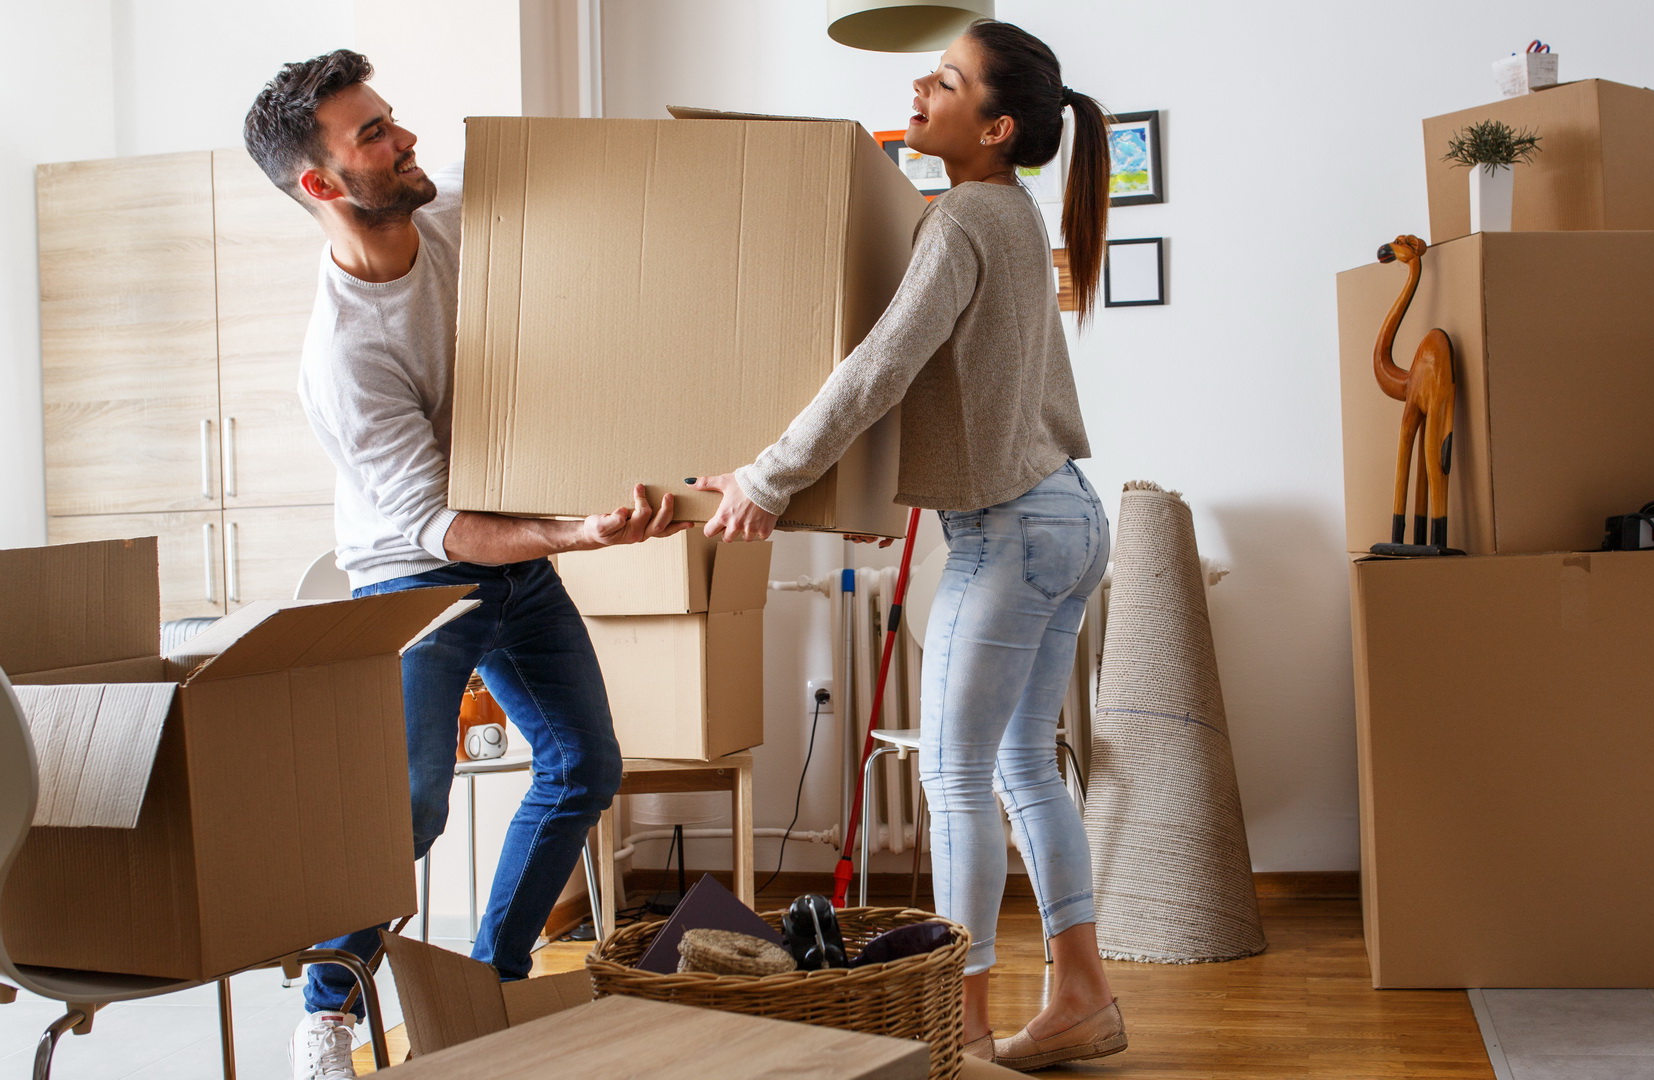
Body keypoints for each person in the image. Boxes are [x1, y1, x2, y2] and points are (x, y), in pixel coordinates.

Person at [243, 50, 685, 1080]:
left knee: (584, 767)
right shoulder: (345, 356)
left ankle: (491, 980)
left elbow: (578, 209)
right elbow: (441, 528)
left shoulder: (452, 224)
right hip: (414, 579)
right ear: (320, 184)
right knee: (409, 806)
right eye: (373, 136)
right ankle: (330, 1013)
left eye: (392, 120)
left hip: (514, 562)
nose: (404, 140)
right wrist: (576, 534)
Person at [694, 19, 1124, 1073]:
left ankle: (963, 1026)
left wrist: (768, 478)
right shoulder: (1009, 214)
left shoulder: (965, 217)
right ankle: (1083, 999)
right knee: (1024, 763)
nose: (920, 89)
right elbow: (954, 396)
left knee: (959, 779)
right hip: (1066, 517)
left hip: (1013, 534)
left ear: (997, 124)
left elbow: (877, 369)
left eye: (946, 80)